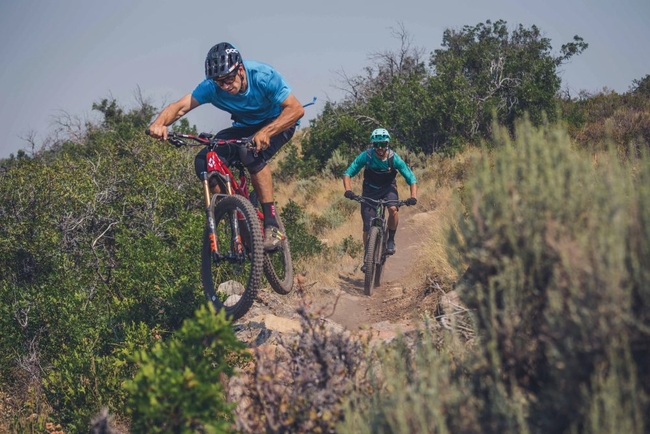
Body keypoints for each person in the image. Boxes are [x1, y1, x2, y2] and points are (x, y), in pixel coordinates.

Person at [147, 42, 304, 252]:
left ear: (240, 69)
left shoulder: (263, 76)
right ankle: (240, 213)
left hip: (278, 122)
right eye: (219, 82)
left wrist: (267, 131)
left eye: (228, 79)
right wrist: (159, 124)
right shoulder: (212, 87)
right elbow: (179, 107)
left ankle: (272, 225)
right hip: (243, 127)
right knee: (204, 160)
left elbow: (296, 109)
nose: (225, 86)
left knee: (249, 152)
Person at [342, 128, 417, 268]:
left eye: (383, 144)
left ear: (387, 144)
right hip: (370, 190)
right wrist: (348, 190)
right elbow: (348, 173)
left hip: (389, 188)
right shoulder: (367, 156)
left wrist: (413, 196)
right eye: (376, 145)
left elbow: (411, 178)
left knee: (393, 209)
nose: (380, 148)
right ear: (373, 145)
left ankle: (391, 240)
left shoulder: (394, 158)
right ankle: (367, 257)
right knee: (366, 227)